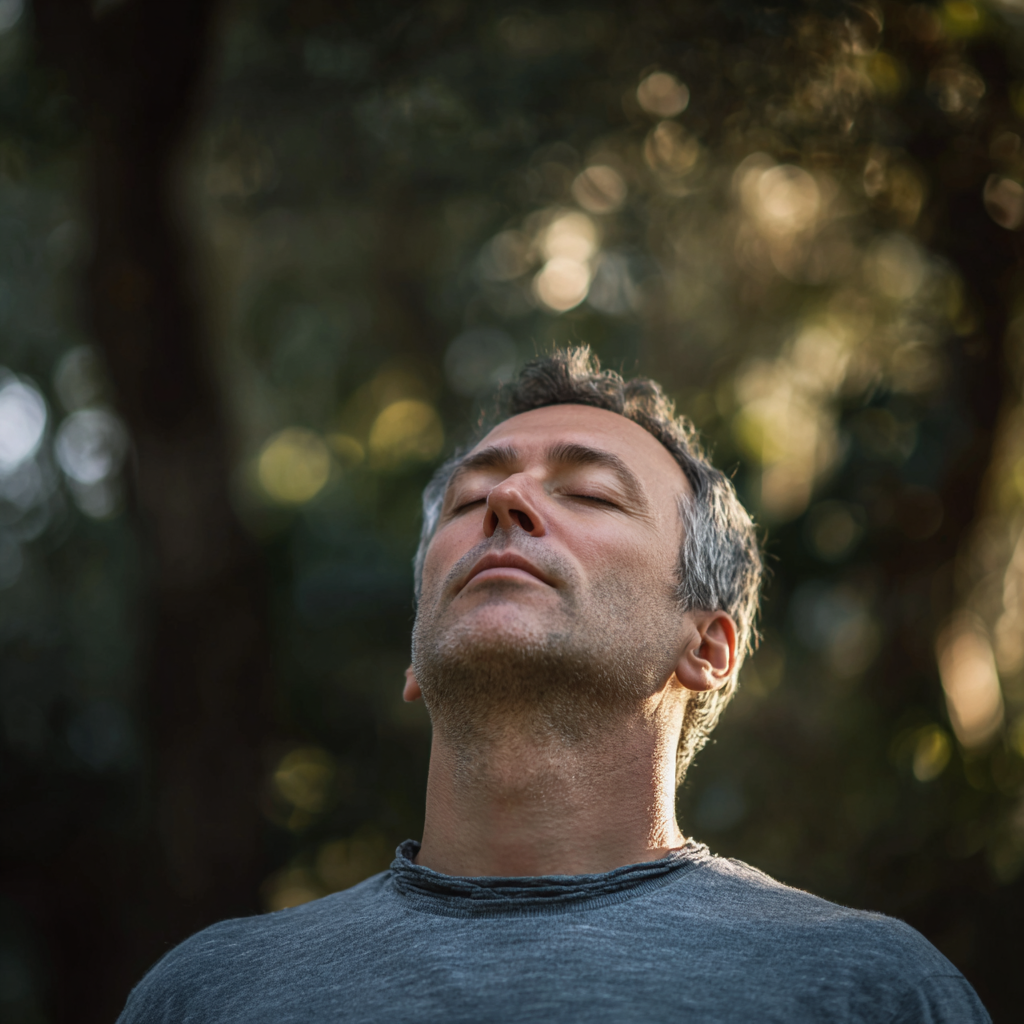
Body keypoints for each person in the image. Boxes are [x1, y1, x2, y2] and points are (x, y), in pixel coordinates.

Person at [118, 348, 990, 1023]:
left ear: (709, 647)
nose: (507, 504)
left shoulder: (861, 988)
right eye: (470, 501)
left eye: (591, 494)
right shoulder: (208, 993)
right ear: (416, 655)